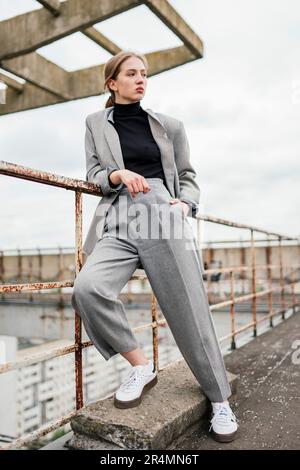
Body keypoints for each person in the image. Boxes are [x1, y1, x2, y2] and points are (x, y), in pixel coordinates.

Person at [71, 50, 238, 443]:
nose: (141, 79)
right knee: (88, 288)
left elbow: (187, 175)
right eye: (131, 74)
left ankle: (219, 400)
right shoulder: (95, 122)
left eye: (144, 74)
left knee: (189, 309)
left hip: (163, 212)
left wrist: (187, 204)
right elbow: (94, 172)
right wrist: (116, 173)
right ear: (113, 83)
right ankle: (140, 365)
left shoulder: (170, 126)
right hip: (118, 216)